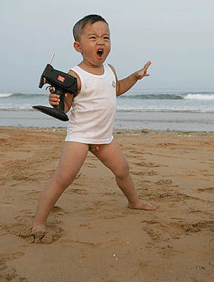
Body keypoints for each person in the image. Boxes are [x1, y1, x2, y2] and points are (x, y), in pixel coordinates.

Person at [30, 14, 156, 243]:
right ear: (78, 46)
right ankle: (39, 222)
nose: (101, 42)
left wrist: (135, 77)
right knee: (62, 179)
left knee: (123, 170)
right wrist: (56, 100)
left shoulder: (111, 70)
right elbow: (65, 107)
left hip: (104, 138)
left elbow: (115, 89)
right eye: (93, 37)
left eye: (106, 37)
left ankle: (134, 202)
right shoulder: (74, 75)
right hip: (79, 137)